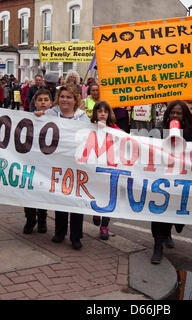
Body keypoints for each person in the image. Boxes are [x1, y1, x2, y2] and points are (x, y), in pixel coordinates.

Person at [35, 84, 89, 249]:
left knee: (76, 200)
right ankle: (59, 232)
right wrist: (36, 116)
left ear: (75, 100)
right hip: (56, 163)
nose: (65, 100)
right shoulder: (50, 113)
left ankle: (76, 235)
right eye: (63, 96)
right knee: (60, 197)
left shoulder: (82, 117)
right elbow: (31, 124)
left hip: (75, 164)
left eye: (69, 97)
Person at [151, 100, 192, 264]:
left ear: (184, 115)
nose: (175, 115)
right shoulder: (159, 128)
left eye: (178, 113)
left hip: (181, 176)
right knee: (159, 210)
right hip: (162, 176)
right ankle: (158, 246)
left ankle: (171, 229)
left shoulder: (191, 130)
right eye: (172, 113)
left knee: (175, 207)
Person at [22, 89, 54, 234]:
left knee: (42, 190)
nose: (43, 102)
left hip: (46, 162)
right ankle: (30, 219)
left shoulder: (57, 119)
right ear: (35, 103)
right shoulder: (28, 118)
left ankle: (42, 219)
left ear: (51, 103)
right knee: (28, 190)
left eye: (46, 100)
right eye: (40, 100)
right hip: (29, 160)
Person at [89, 101, 119, 240]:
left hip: (110, 168)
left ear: (109, 114)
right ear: (95, 113)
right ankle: (96, 212)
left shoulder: (114, 128)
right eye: (99, 111)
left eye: (105, 111)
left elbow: (124, 139)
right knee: (95, 192)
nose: (102, 113)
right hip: (94, 168)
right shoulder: (88, 127)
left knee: (109, 196)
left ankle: (105, 226)